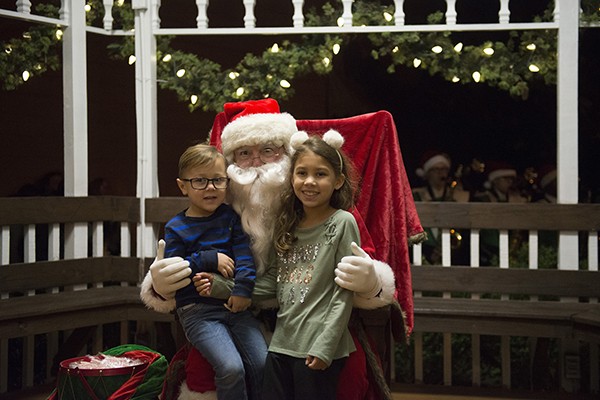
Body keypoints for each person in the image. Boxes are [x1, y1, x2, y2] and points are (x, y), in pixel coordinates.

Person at [141, 99, 420, 400]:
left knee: (349, 374)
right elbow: (180, 262)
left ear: (287, 156)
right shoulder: (218, 205)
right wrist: (160, 285)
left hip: (312, 321)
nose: (257, 161)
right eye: (244, 153)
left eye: (268, 150)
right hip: (230, 314)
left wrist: (369, 281)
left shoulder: (321, 209)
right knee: (204, 372)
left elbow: (362, 268)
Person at [201, 131, 361, 399]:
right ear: (291, 177)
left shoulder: (342, 223)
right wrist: (227, 288)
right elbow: (273, 283)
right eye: (302, 173)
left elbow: (343, 292)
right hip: (281, 345)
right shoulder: (287, 224)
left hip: (318, 347)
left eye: (320, 174)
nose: (309, 182)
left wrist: (325, 346)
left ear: (338, 181)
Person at [165, 144, 267, 400]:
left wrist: (243, 291)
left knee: (262, 363)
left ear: (227, 183)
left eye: (217, 180)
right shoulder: (176, 228)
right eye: (199, 180)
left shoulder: (231, 218)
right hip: (198, 313)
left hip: (236, 307)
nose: (210, 187)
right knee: (231, 368)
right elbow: (173, 271)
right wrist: (209, 259)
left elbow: (245, 257)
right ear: (182, 186)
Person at [411, 150, 470, 264]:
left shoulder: (457, 195)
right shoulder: (416, 195)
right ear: (427, 173)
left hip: (451, 251)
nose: (441, 173)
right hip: (424, 250)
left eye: (444, 170)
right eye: (436, 170)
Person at [472, 160, 527, 265]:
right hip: (487, 250)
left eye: (511, 179)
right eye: (505, 179)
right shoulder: (483, 199)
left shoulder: (515, 199)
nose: (509, 182)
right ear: (495, 180)